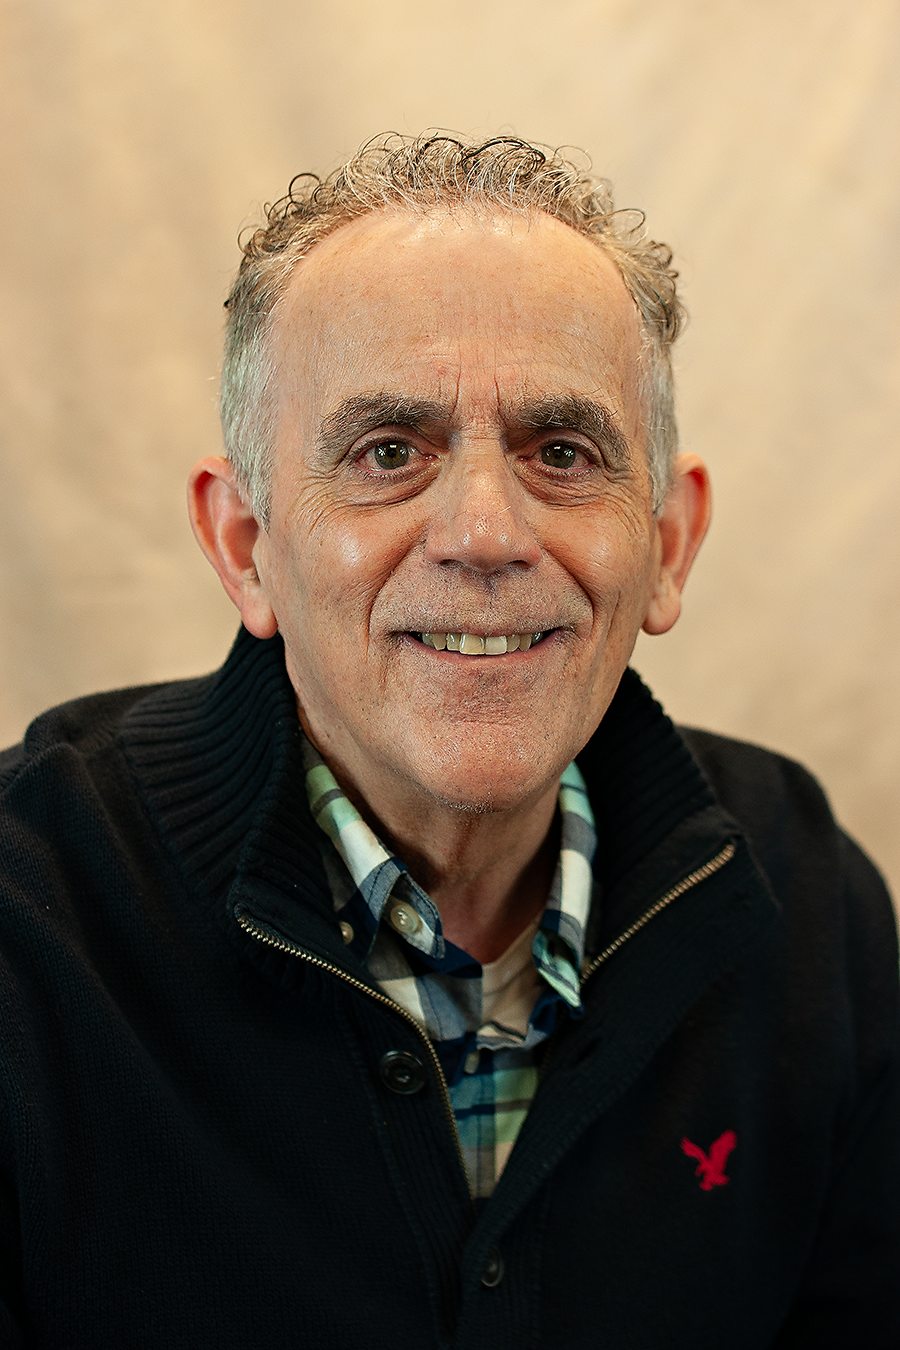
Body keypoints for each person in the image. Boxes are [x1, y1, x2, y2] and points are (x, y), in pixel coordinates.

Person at [0, 133, 897, 1349]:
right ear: (244, 544)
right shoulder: (28, 922)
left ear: (669, 545)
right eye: (388, 453)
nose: (483, 531)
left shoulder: (809, 906)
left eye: (562, 452)